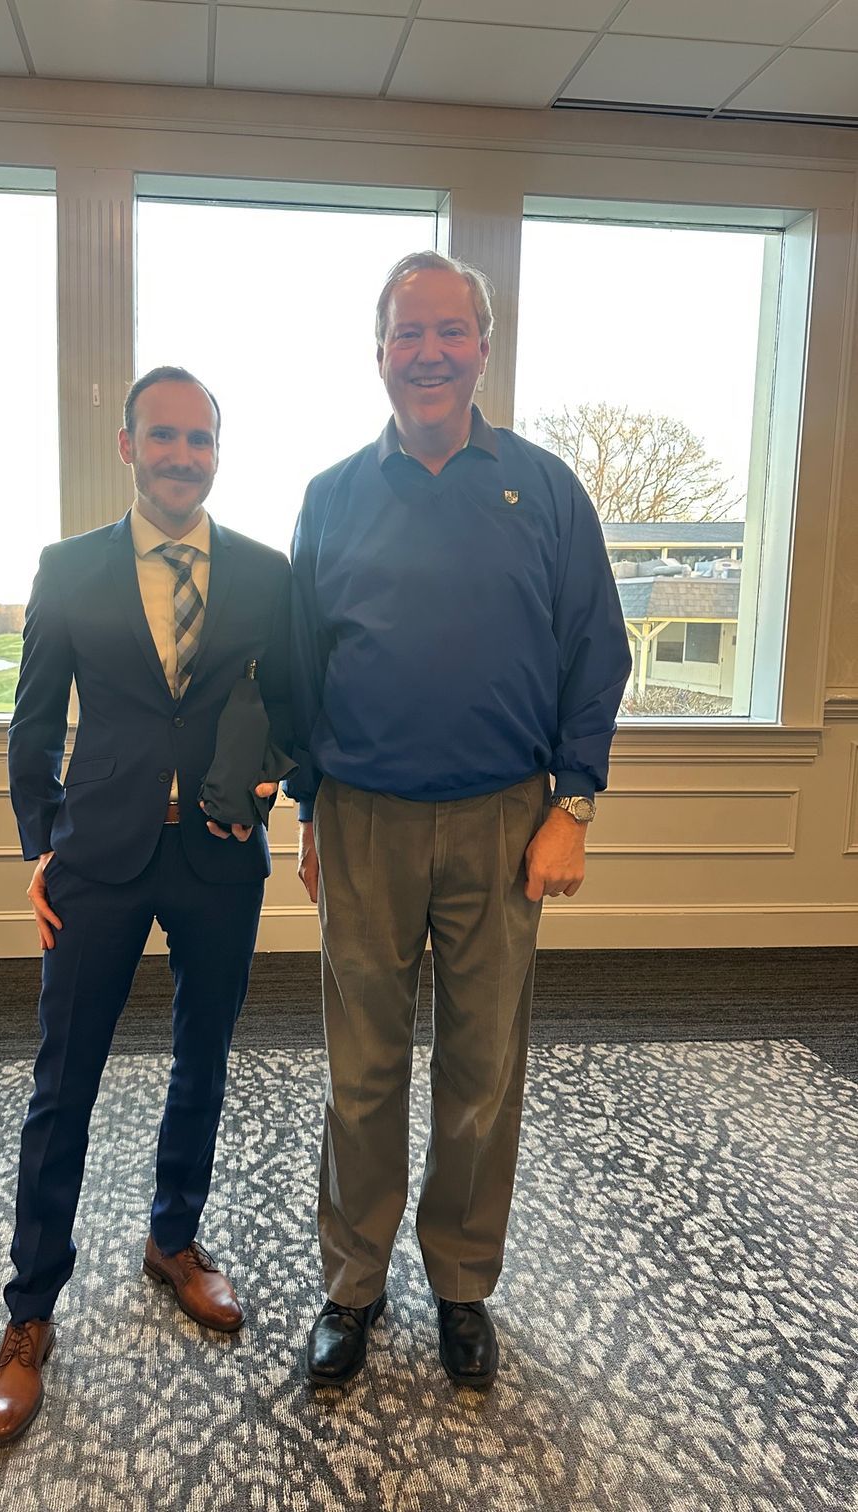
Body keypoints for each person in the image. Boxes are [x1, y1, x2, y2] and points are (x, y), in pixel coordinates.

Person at [286, 252, 631, 1390]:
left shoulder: (545, 489)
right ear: (377, 351)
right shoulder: (332, 497)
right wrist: (305, 806)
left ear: (484, 346)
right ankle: (354, 1284)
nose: (427, 353)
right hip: (363, 826)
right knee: (362, 1069)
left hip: (504, 825)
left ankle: (463, 1285)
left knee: (482, 1072)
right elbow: (298, 670)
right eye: (406, 333)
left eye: (450, 331)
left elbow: (597, 652)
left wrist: (572, 804)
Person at [0, 366, 293, 1445]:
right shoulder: (68, 569)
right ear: (127, 446)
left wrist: (271, 779)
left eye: (199, 440)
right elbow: (31, 721)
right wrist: (39, 847)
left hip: (216, 858)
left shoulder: (263, 570)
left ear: (218, 452)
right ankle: (29, 1313)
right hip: (99, 856)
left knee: (204, 1057)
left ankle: (175, 1240)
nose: (181, 456)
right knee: (64, 1078)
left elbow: (297, 697)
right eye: (163, 437)